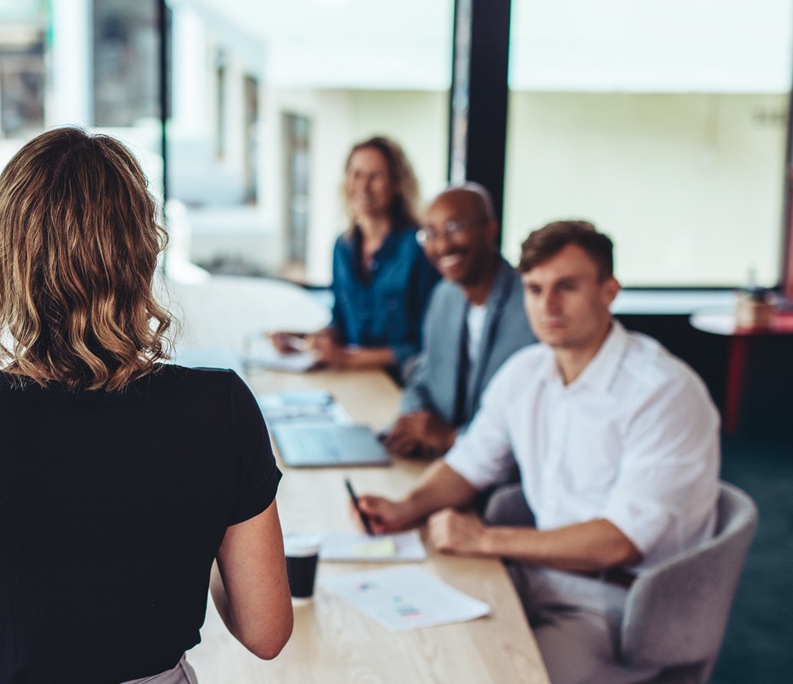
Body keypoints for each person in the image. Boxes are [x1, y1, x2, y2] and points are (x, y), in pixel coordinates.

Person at [0, 127, 293, 684]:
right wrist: (206, 516)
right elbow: (266, 632)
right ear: (142, 253)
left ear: (1, 257)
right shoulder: (222, 407)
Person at [354, 222, 721, 684]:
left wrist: (486, 538)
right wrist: (405, 506)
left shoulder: (664, 393)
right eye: (534, 288)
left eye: (566, 287)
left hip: (617, 609)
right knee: (405, 650)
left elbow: (619, 541)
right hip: (533, 576)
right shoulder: (525, 372)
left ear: (609, 291)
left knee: (482, 675)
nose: (547, 306)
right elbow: (469, 463)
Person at [383, 184, 537, 458]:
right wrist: (414, 422)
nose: (442, 244)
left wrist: (451, 438)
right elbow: (422, 376)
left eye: (455, 227)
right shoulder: (444, 296)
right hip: (441, 461)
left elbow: (530, 424)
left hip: (497, 473)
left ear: (489, 229)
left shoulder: (532, 306)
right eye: (430, 233)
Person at [272, 136, 439, 374]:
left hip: (400, 382)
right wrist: (308, 339)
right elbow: (341, 321)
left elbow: (425, 345)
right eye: (356, 174)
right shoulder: (342, 247)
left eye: (375, 176)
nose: (362, 186)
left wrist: (347, 358)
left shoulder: (419, 249)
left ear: (396, 183)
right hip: (355, 377)